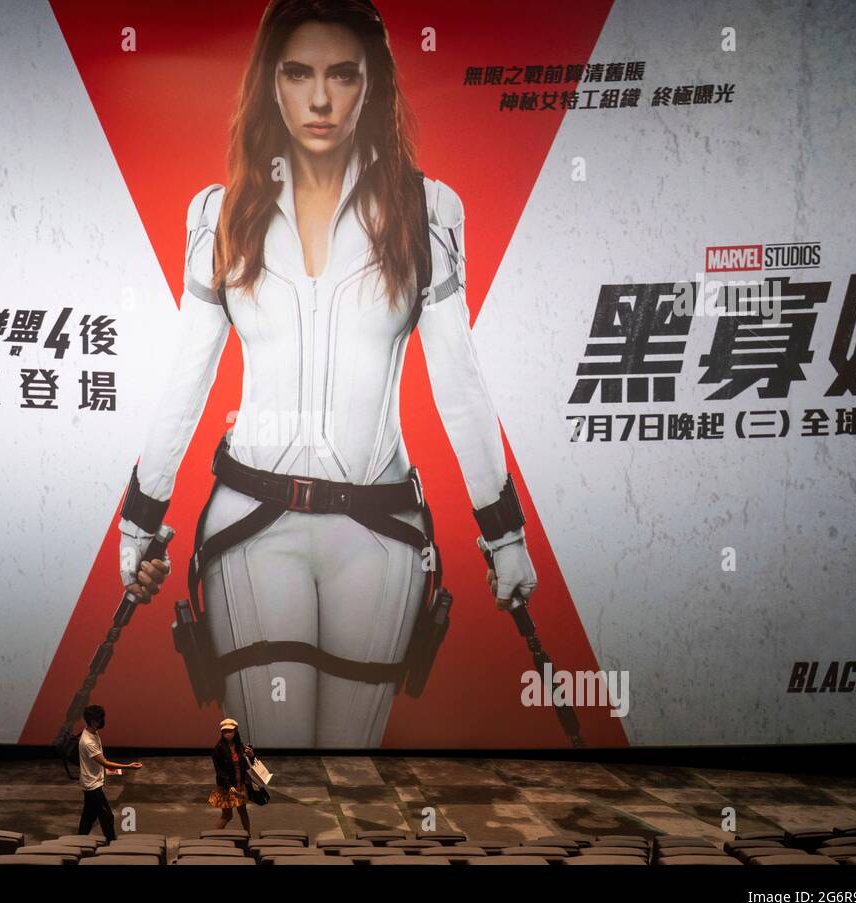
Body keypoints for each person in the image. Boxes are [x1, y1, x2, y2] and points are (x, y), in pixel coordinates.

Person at [118, 0, 537, 747]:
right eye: (299, 73)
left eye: (342, 75)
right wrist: (137, 520)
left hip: (378, 530)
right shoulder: (221, 215)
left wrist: (503, 536)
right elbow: (187, 377)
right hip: (251, 523)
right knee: (272, 766)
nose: (320, 99)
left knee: (350, 771)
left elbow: (459, 382)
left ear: (371, 85)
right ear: (269, 83)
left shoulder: (427, 209)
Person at [77, 704, 142, 841]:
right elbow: (105, 762)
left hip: (92, 782)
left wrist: (113, 771)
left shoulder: (93, 732)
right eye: (101, 718)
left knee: (89, 816)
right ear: (94, 720)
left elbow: (102, 761)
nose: (103, 720)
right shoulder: (88, 742)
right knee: (106, 816)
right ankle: (111, 844)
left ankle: (78, 841)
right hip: (92, 786)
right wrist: (129, 766)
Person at [209, 718, 258, 838]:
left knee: (243, 812)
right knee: (227, 815)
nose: (227, 733)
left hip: (239, 784)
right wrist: (229, 786)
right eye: (225, 731)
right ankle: (212, 838)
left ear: (235, 731)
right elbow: (220, 771)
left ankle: (248, 836)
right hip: (227, 786)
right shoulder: (219, 748)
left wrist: (251, 756)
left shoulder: (239, 746)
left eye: (229, 731)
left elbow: (246, 764)